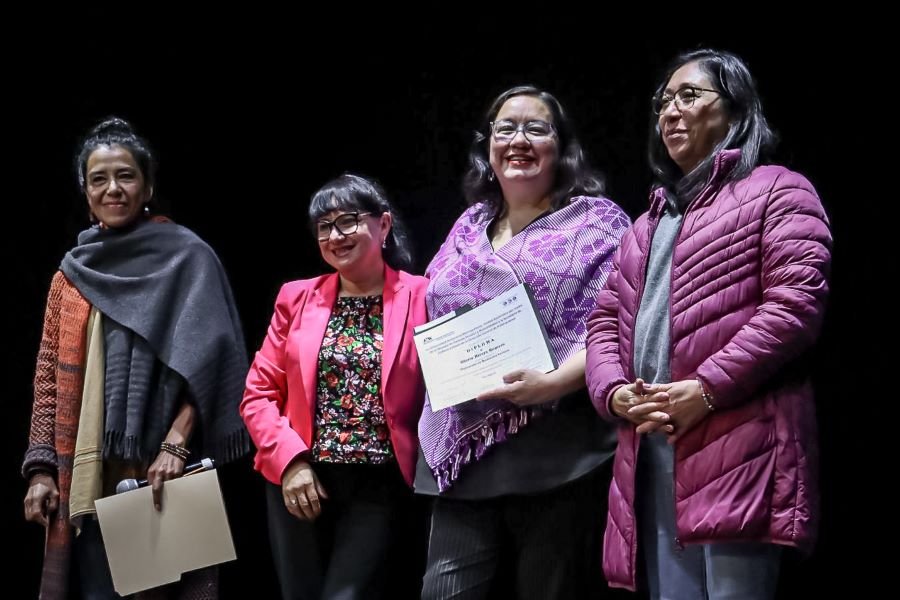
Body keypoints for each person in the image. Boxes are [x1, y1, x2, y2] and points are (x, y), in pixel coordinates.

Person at [585, 49, 832, 599]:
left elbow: (795, 306)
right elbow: (603, 323)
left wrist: (707, 389)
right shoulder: (645, 224)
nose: (671, 112)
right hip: (653, 452)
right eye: (663, 102)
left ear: (736, 109)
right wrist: (616, 395)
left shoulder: (778, 189)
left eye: (690, 96)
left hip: (737, 444)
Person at [21, 117, 250, 599]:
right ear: (84, 191)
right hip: (90, 475)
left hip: (162, 470)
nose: (113, 189)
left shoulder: (189, 258)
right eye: (98, 179)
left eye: (125, 175)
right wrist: (41, 469)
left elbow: (215, 366)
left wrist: (175, 445)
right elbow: (48, 378)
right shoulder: (71, 274)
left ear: (147, 185)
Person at [417, 85, 631, 599]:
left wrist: (553, 382)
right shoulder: (468, 225)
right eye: (505, 128)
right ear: (487, 146)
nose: (519, 139)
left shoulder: (600, 224)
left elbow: (620, 323)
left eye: (537, 128)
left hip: (557, 452)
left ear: (562, 147)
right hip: (467, 454)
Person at [240, 174, 428, 600]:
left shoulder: (422, 295)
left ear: (383, 225)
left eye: (347, 221)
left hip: (379, 484)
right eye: (324, 226)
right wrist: (289, 462)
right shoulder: (296, 297)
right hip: (299, 478)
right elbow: (259, 393)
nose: (334, 235)